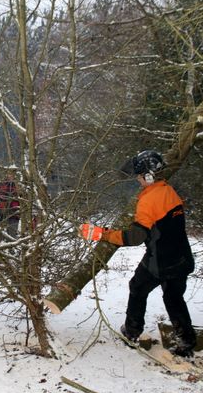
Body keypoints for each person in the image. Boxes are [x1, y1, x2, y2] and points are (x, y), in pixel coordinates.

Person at [79, 150, 196, 357]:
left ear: (149, 176)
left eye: (140, 175)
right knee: (174, 297)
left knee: (137, 288)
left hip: (160, 260)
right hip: (182, 257)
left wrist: (103, 234)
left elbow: (135, 237)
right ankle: (186, 341)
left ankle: (132, 332)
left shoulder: (149, 200)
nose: (138, 179)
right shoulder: (169, 191)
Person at [0, 170, 20, 239]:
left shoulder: (19, 186)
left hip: (14, 214)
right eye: (9, 173)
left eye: (12, 174)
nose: (11, 176)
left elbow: (23, 200)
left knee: (12, 236)